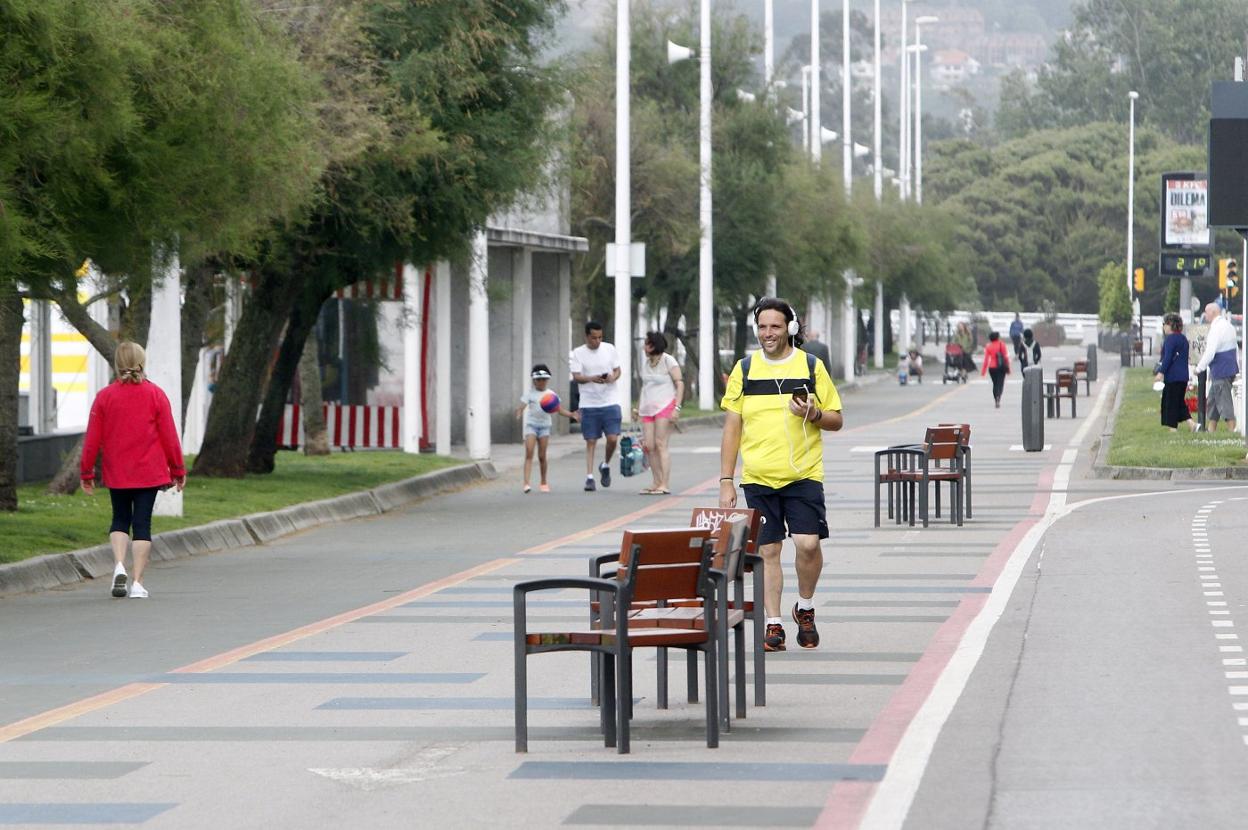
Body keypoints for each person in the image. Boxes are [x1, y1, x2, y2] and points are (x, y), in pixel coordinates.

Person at [719, 297, 843, 652]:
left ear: (789, 328)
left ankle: (805, 607)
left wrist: (814, 414)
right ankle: (773, 624)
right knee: (769, 550)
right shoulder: (744, 369)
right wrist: (726, 480)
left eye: (775, 326)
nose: (767, 333)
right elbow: (732, 428)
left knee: (808, 544)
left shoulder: (810, 366)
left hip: (804, 474)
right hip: (758, 478)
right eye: (762, 327)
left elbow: (836, 419)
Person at [80, 342, 186, 599]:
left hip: (117, 471)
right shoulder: (156, 394)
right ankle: (137, 582)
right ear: (142, 362)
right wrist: (178, 469)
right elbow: (169, 436)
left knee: (119, 519)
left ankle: (119, 565)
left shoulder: (105, 397)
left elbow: (92, 439)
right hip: (148, 471)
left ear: (117, 364)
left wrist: (87, 472)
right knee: (142, 524)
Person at [569, 321, 622, 491]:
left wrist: (612, 377)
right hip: (589, 403)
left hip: (610, 400)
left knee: (612, 439)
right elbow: (576, 376)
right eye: (594, 338)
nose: (597, 341)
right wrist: (592, 378)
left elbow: (618, 370)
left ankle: (605, 464)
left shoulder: (609, 349)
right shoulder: (578, 353)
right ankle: (589, 477)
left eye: (600, 337)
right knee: (591, 440)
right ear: (586, 336)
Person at [515, 364, 579, 493]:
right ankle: (526, 483)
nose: (541, 382)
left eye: (544, 379)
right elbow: (521, 407)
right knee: (529, 452)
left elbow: (559, 409)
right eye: (538, 380)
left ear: (547, 380)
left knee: (542, 456)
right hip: (532, 426)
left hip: (544, 427)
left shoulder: (551, 395)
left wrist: (571, 414)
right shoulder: (530, 394)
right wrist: (519, 413)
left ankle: (543, 482)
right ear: (534, 381)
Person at [635, 332, 684, 495]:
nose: (644, 347)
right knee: (649, 446)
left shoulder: (668, 360)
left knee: (661, 443)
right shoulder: (646, 363)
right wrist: (638, 408)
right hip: (647, 408)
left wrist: (677, 407)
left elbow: (680, 383)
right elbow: (645, 387)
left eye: (646, 344)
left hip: (665, 406)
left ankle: (664, 483)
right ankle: (656, 481)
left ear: (653, 346)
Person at [1195, 302, 1240, 432]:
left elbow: (1210, 351)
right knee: (1213, 401)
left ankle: (1232, 429)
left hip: (1221, 370)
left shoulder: (1216, 329)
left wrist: (1199, 368)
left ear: (1213, 312)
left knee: (1224, 401)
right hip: (1229, 368)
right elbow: (1235, 348)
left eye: (1206, 312)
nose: (1205, 315)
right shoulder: (1228, 326)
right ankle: (1211, 430)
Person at [1155, 314, 1196, 433]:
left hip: (1173, 376)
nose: (1163, 327)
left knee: (1171, 402)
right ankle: (1191, 424)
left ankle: (1173, 428)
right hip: (1183, 376)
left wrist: (1161, 372)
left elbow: (1167, 358)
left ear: (1170, 325)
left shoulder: (1170, 339)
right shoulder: (1183, 339)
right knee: (1179, 402)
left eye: (1164, 324)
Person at [981, 331, 1011, 408]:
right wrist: (1008, 368)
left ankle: (996, 398)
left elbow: (986, 360)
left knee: (995, 384)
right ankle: (998, 397)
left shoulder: (988, 346)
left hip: (992, 368)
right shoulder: (1002, 345)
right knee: (1000, 383)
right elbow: (1005, 357)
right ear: (997, 337)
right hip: (1001, 367)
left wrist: (983, 371)